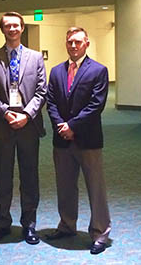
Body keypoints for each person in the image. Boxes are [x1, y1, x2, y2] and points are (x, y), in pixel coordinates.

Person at [45, 27, 111, 254]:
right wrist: (61, 126)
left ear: (87, 44)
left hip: (88, 140)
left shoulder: (99, 70)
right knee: (64, 187)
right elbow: (50, 102)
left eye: (78, 42)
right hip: (61, 140)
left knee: (96, 188)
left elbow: (96, 104)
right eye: (70, 42)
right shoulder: (55, 71)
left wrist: (72, 126)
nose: (73, 46)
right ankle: (66, 225)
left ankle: (100, 232)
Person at [0, 12, 47, 244]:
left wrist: (27, 115)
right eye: (7, 26)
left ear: (22, 28)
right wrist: (5, 112)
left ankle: (29, 225)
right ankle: (1, 224)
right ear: (3, 30)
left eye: (16, 26)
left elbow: (42, 91)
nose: (12, 29)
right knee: (2, 177)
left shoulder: (35, 57)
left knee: (30, 176)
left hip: (28, 126)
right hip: (3, 125)